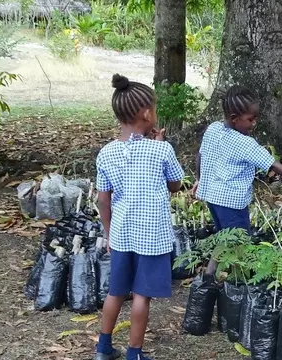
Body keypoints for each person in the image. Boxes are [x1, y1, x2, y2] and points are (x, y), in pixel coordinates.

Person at [94, 74, 185, 360]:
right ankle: (134, 353)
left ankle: (103, 348)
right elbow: (175, 185)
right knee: (141, 296)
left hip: (121, 234)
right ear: (147, 113)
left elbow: (102, 199)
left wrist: (108, 233)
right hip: (152, 237)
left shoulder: (106, 153)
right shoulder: (162, 150)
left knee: (116, 292)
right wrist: (160, 143)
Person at [194, 85, 282, 274]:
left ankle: (209, 276)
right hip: (232, 203)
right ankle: (238, 282)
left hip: (212, 197)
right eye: (250, 119)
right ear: (234, 118)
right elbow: (273, 165)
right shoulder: (245, 143)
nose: (254, 123)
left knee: (225, 238)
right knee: (239, 243)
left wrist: (199, 179)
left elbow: (201, 156)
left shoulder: (213, 129)